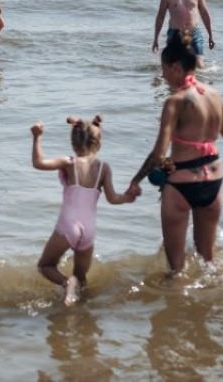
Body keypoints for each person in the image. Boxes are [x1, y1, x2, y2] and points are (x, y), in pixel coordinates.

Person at [128, 32, 223, 274]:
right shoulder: (215, 95)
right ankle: (211, 301)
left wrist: (135, 180)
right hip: (213, 180)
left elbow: (159, 153)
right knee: (208, 262)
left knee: (175, 269)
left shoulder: (175, 101)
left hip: (182, 184)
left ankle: (177, 306)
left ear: (176, 67)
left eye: (164, 69)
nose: (163, 75)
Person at [31, 115, 135, 306]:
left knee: (45, 265)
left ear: (73, 143)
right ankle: (83, 311)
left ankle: (65, 282)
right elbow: (113, 198)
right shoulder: (104, 168)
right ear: (99, 144)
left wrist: (37, 137)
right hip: (89, 229)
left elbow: (38, 163)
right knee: (82, 277)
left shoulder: (69, 162)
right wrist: (129, 197)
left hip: (68, 225)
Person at [152, 0, 215, 67]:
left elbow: (204, 14)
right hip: (175, 33)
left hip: (194, 32)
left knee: (199, 65)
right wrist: (155, 39)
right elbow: (160, 18)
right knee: (172, 65)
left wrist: (211, 36)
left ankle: (196, 82)